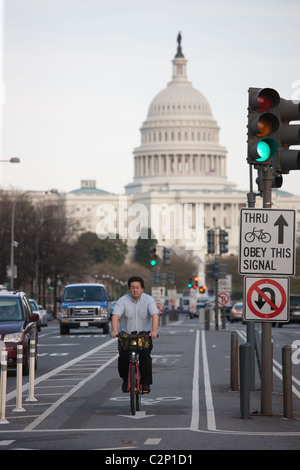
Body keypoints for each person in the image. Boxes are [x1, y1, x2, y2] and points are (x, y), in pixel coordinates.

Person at [111, 276, 159, 393]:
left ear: (142, 288)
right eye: (132, 288)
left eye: (137, 287)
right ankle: (125, 380)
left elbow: (155, 315)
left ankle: (145, 383)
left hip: (144, 336)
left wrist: (154, 331)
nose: (135, 290)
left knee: (145, 358)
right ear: (129, 289)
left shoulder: (149, 300)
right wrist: (114, 330)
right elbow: (115, 316)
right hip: (127, 336)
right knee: (123, 358)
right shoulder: (122, 301)